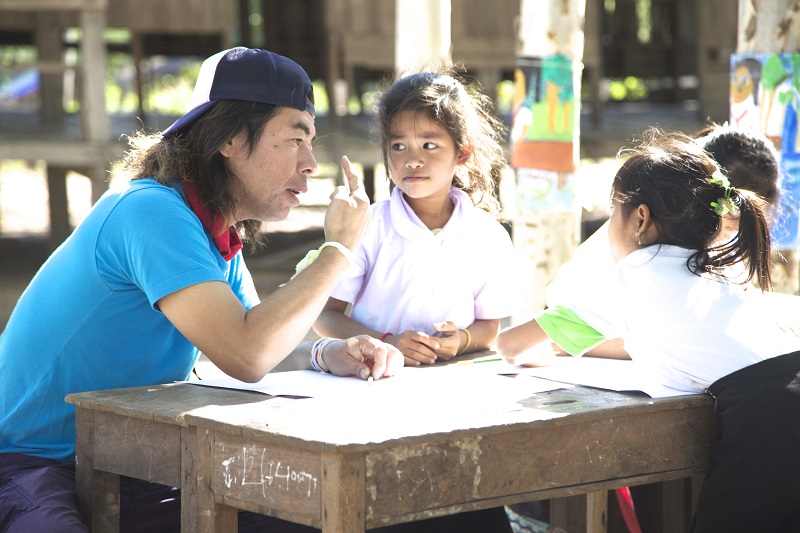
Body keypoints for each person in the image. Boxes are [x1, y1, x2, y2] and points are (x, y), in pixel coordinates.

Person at [0, 47, 404, 533]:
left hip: (132, 460)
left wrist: (328, 352)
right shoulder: (150, 211)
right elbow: (247, 352)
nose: (310, 163)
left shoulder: (211, 234)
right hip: (31, 464)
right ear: (230, 138)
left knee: (329, 513)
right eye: (295, 140)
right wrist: (338, 248)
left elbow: (261, 341)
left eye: (311, 142)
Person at [496, 129, 800, 532]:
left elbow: (509, 345)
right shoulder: (716, 267)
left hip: (763, 415)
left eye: (612, 212)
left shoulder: (625, 279)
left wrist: (548, 350)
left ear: (640, 218)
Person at [313, 71, 526, 366]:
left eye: (429, 145)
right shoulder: (368, 226)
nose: (412, 160)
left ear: (462, 152)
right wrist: (385, 342)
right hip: (374, 381)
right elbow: (326, 316)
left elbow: (489, 327)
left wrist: (462, 340)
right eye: (399, 146)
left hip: (453, 384)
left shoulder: (488, 236)